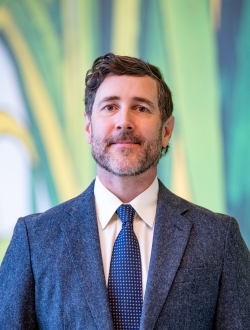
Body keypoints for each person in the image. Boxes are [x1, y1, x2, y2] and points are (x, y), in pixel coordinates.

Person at [0, 53, 249, 330]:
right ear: (87, 126)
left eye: (141, 108)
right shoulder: (34, 241)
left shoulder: (219, 238)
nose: (124, 122)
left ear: (166, 130)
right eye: (109, 107)